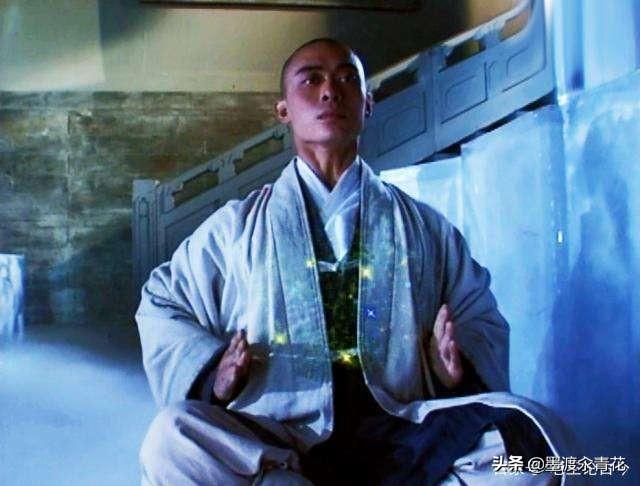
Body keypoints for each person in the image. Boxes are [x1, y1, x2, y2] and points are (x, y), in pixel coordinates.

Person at [136, 38, 570, 485]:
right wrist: (215, 375)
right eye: (311, 80)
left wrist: (451, 370)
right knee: (172, 437)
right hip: (278, 433)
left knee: (535, 441)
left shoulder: (424, 227)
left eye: (346, 79)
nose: (330, 91)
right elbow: (161, 303)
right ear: (283, 110)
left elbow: (477, 312)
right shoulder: (235, 228)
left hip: (400, 427)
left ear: (367, 104)